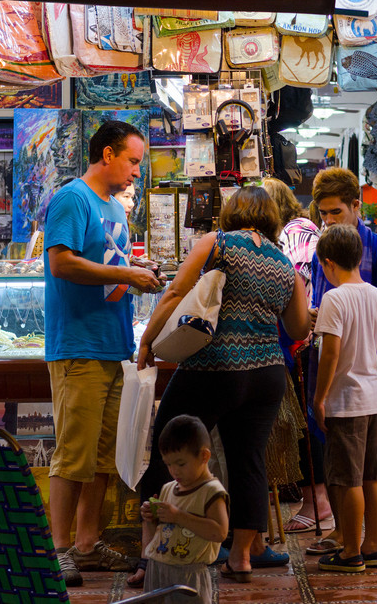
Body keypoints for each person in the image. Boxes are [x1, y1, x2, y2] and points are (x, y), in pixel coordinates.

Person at [135, 186, 311, 583]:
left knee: (165, 447)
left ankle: (150, 557)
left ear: (232, 213)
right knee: (249, 460)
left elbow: (176, 291)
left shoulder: (216, 242)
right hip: (266, 375)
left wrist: (148, 340)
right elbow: (298, 327)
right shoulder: (284, 263)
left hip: (215, 366)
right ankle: (243, 558)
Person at [44, 120, 161, 587]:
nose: (136, 171)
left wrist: (135, 271)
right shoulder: (73, 198)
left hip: (114, 345)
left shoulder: (115, 207)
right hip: (78, 345)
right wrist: (131, 276)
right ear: (108, 154)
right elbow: (61, 262)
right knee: (73, 454)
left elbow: (110, 268)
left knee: (104, 456)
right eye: (133, 161)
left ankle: (88, 544)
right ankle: (57, 551)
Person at [304, 167, 377, 557]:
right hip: (341, 369)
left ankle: (372, 537)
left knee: (368, 467)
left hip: (356, 375)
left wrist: (347, 309)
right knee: (336, 459)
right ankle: (346, 532)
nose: (328, 221)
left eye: (335, 212)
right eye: (322, 214)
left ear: (355, 207)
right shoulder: (323, 247)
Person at [311, 224, 377, 573]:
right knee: (375, 475)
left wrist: (319, 398)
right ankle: (374, 545)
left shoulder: (334, 298)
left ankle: (350, 550)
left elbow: (330, 354)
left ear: (328, 263)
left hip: (345, 401)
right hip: (374, 397)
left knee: (347, 478)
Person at [261, 177, 333, 535]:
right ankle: (314, 498)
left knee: (305, 422)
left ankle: (317, 500)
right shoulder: (293, 233)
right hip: (294, 335)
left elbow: (296, 281)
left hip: (300, 340)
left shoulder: (298, 231)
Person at [141, 415, 229, 601]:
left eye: (181, 463)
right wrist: (151, 518)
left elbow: (219, 532)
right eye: (168, 464)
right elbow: (160, 533)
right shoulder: (168, 488)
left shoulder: (211, 491)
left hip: (189, 574)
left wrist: (179, 516)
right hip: (158, 568)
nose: (174, 471)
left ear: (204, 456)